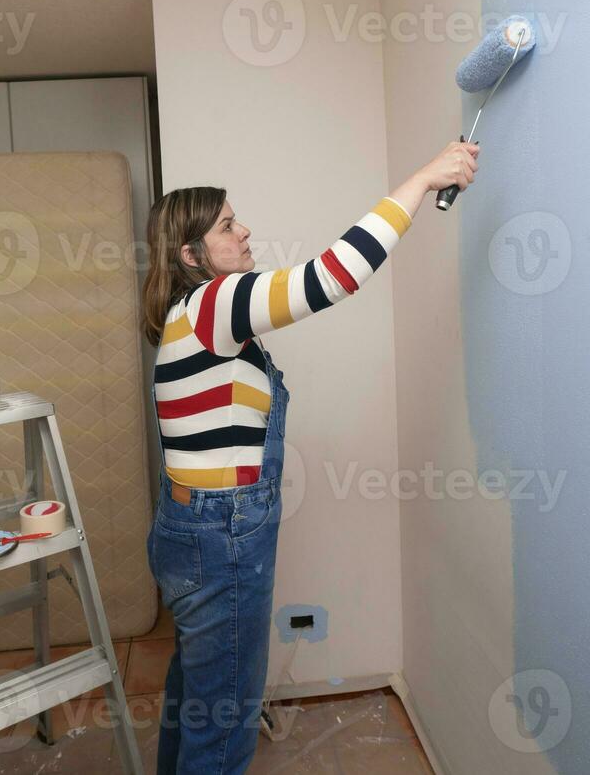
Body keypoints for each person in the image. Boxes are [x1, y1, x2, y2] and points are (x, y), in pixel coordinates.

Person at [137, 139, 479, 774]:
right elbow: (334, 276)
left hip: (190, 530)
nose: (245, 232)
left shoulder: (191, 320)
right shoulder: (215, 303)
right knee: (224, 727)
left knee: (197, 702)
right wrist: (425, 178)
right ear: (192, 256)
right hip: (221, 538)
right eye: (227, 226)